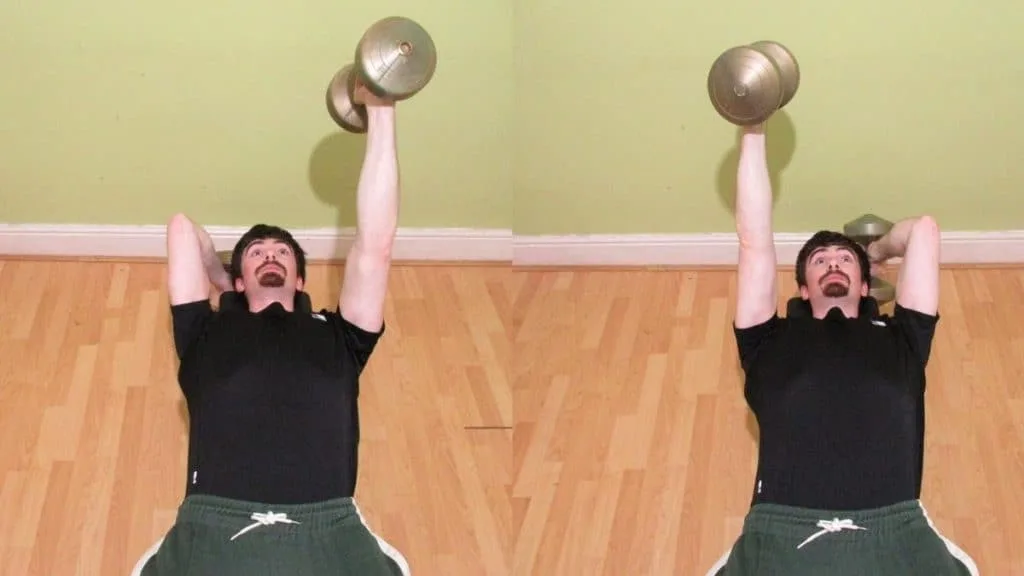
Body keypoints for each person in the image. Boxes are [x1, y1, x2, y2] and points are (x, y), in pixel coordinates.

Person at [131, 79, 410, 576]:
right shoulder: (202, 334)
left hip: (327, 527)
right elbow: (180, 229)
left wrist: (382, 108)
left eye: (282, 251)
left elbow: (375, 245)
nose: (271, 254)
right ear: (240, 276)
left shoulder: (342, 335)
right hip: (214, 525)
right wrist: (223, 285)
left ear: (300, 277)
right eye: (256, 253)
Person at [705, 123, 979, 575]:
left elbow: (925, 232)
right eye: (820, 260)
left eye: (844, 259)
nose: (833, 262)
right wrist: (752, 127)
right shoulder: (766, 340)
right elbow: (754, 241)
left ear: (865, 282)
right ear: (803, 288)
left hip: (894, 535)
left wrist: (879, 249)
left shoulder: (903, 339)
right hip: (782, 537)